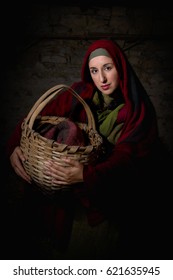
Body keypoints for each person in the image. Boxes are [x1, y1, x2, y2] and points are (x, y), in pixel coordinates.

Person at [6, 39, 172, 259]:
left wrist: (85, 175)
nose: (101, 79)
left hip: (103, 206)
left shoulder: (137, 111)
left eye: (107, 68)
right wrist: (14, 146)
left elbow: (130, 160)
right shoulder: (78, 94)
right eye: (94, 70)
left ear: (120, 67)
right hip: (62, 196)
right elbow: (38, 118)